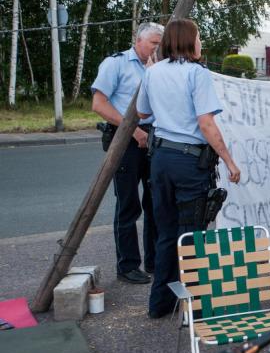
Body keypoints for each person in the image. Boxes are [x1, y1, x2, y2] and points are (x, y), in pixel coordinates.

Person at [136, 18, 241, 318]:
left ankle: (159, 305)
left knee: (166, 232)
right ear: (187, 41)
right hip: (189, 161)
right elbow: (206, 123)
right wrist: (229, 160)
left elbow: (142, 111)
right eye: (197, 37)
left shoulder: (152, 72)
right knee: (193, 233)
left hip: (160, 160)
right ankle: (197, 309)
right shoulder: (197, 74)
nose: (200, 43)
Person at [91, 22, 163, 285]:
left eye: (160, 44)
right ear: (139, 40)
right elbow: (98, 104)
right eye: (154, 43)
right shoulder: (116, 63)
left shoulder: (160, 66)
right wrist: (133, 131)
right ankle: (128, 265)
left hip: (154, 137)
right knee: (128, 205)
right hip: (125, 139)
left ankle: (155, 261)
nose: (157, 48)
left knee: (156, 203)